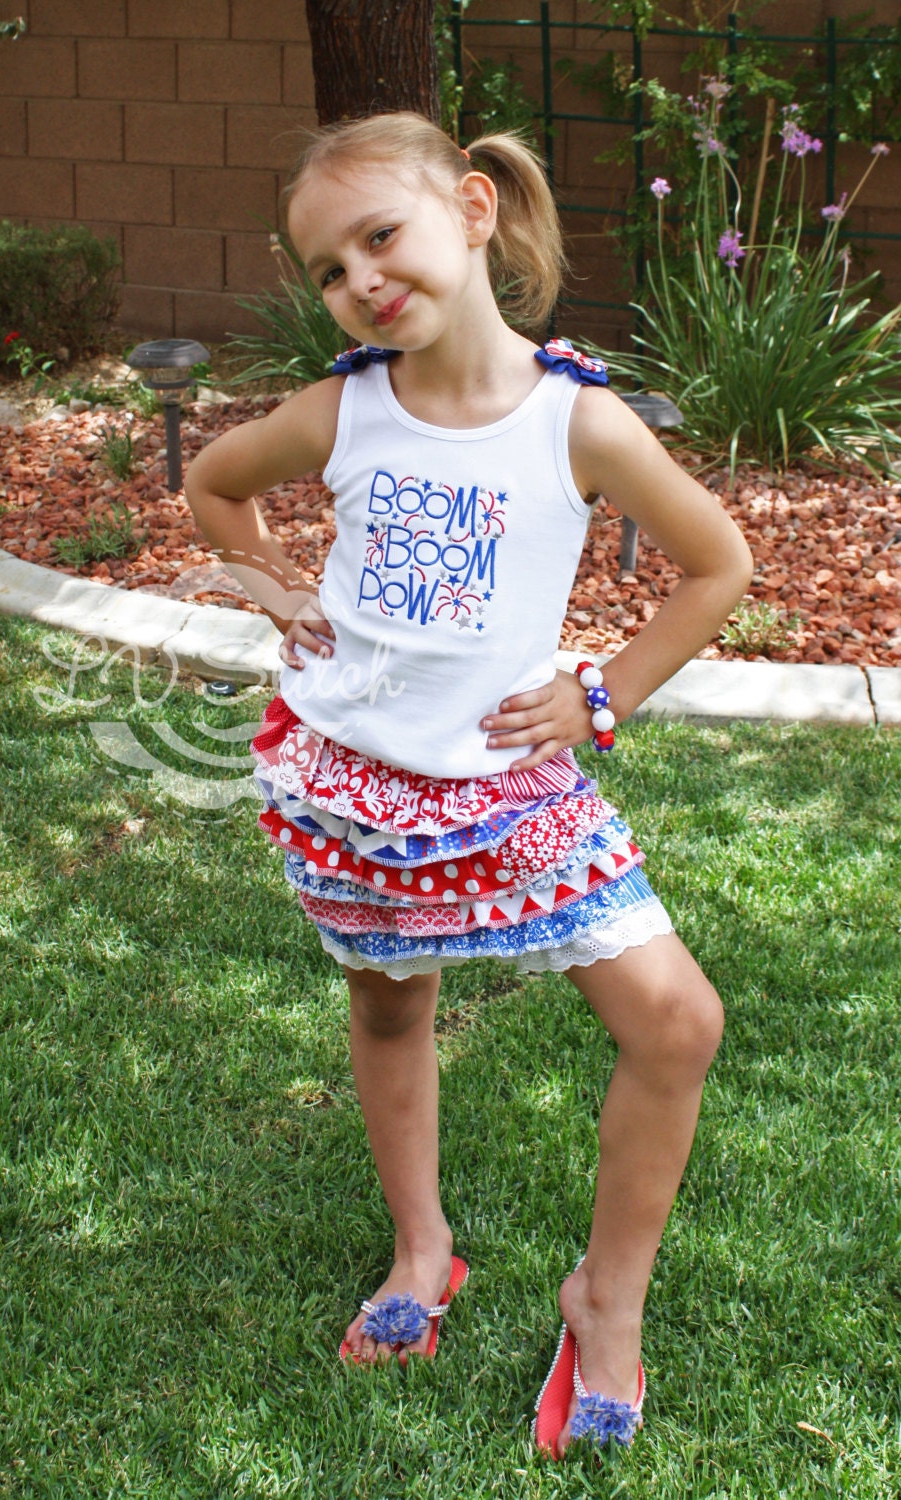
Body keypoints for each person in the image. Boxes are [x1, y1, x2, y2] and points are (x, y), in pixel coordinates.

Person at [183, 111, 753, 1460]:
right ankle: (421, 1251)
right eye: (329, 268)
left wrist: (602, 694)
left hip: (509, 788)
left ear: (475, 210)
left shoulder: (579, 421)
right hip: (358, 787)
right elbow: (213, 486)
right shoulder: (344, 408)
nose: (361, 279)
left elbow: (718, 566)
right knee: (391, 1009)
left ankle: (606, 1303)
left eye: (380, 235)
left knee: (678, 1023)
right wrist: (280, 591)